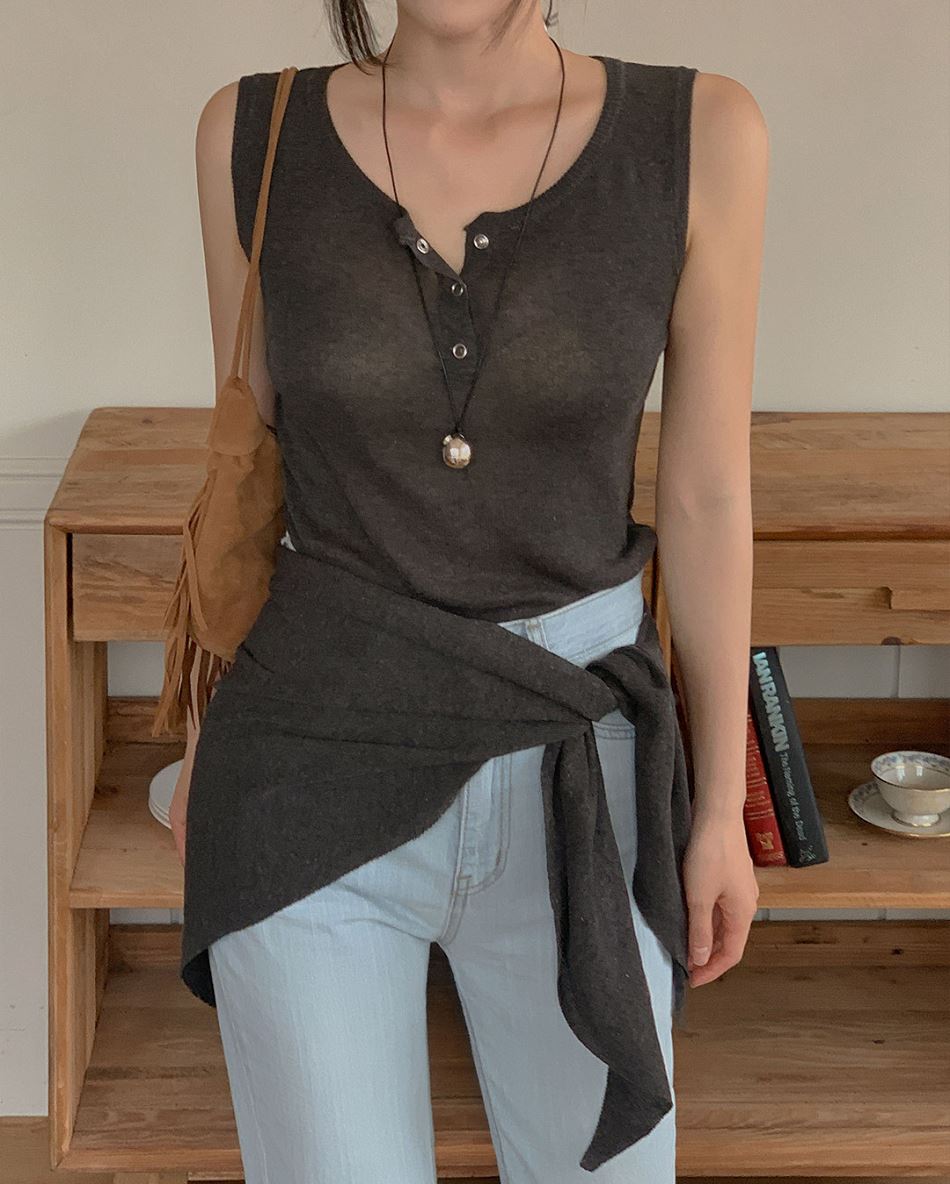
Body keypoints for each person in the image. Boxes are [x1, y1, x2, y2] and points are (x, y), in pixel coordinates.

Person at [170, 1, 767, 1180]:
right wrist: (203, 739)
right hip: (308, 749)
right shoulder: (249, 133)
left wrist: (714, 814)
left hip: (577, 764)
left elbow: (705, 495)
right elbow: (251, 473)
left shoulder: (701, 132)